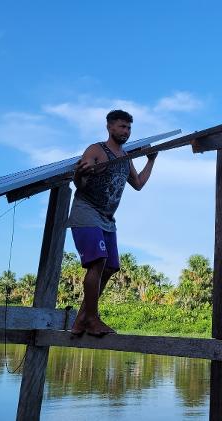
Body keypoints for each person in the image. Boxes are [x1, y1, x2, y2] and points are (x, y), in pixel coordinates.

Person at [67, 109, 157, 336]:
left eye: (128, 128)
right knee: (97, 262)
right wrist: (79, 174)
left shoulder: (125, 158)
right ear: (109, 127)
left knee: (110, 267)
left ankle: (81, 320)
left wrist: (151, 160)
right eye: (121, 127)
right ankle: (93, 319)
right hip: (86, 211)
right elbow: (81, 182)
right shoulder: (97, 149)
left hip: (107, 218)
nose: (125, 131)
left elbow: (137, 184)